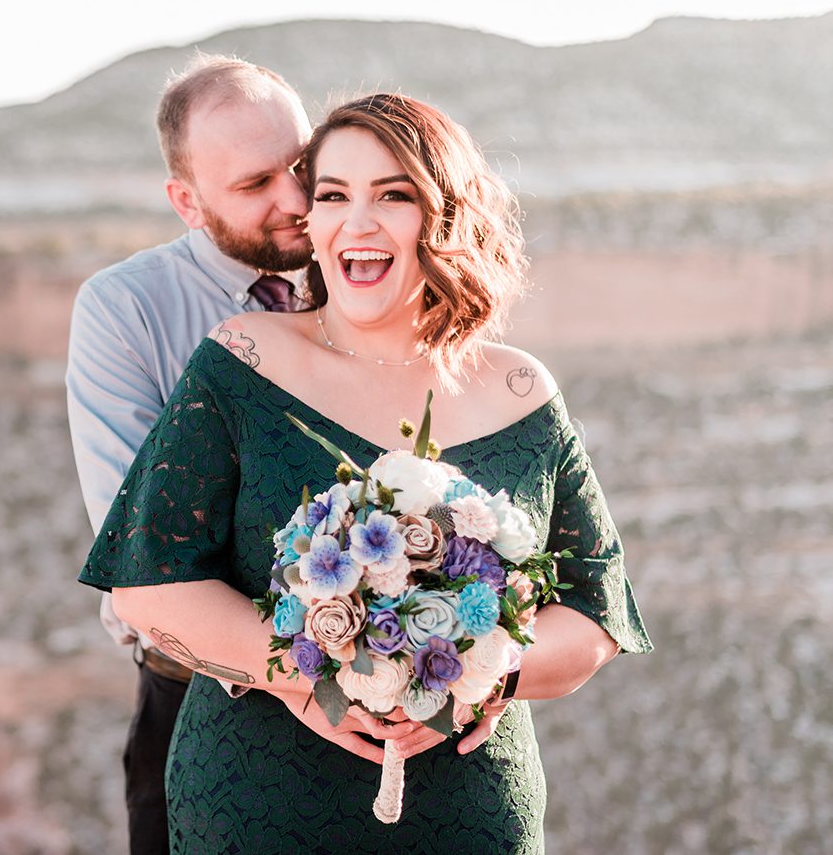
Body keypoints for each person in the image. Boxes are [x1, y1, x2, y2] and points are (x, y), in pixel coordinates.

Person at [79, 93, 652, 852]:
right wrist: (310, 675)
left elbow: (594, 610)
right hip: (260, 807)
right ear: (310, 223)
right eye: (333, 195)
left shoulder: (520, 389)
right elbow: (150, 585)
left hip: (468, 815)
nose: (358, 221)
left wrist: (479, 673)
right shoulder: (241, 358)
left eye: (394, 194)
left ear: (443, 216)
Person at [65, 53, 316, 853]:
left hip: (390, 691)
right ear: (186, 201)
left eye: (303, 167)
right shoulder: (125, 310)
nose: (297, 201)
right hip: (200, 700)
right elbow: (146, 547)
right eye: (254, 186)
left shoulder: (367, 275)